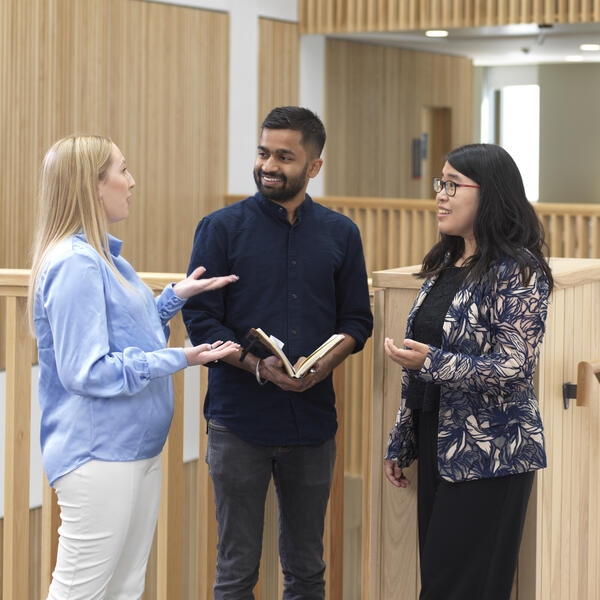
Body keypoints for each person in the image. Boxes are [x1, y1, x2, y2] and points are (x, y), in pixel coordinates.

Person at [28, 135, 240, 600]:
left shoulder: (106, 258)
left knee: (125, 587)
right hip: (99, 453)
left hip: (135, 450)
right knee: (81, 590)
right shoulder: (75, 265)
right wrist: (181, 359)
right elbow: (87, 371)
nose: (132, 181)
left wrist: (172, 299)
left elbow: (126, 331)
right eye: (122, 170)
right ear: (92, 185)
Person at [182, 106, 373, 599]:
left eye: (284, 156)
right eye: (264, 152)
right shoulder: (220, 229)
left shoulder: (341, 234)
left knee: (307, 570)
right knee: (237, 571)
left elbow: (357, 321)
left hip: (312, 424)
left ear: (314, 166)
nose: (268, 165)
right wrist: (255, 365)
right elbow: (200, 320)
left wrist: (327, 361)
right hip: (237, 423)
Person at [383, 143, 553, 600]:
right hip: (439, 438)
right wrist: (404, 437)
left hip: (491, 452)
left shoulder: (518, 270)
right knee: (441, 580)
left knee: (463, 588)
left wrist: (431, 363)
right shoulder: (445, 263)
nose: (441, 194)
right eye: (441, 183)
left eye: (453, 185)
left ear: (491, 194)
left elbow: (513, 366)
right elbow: (423, 364)